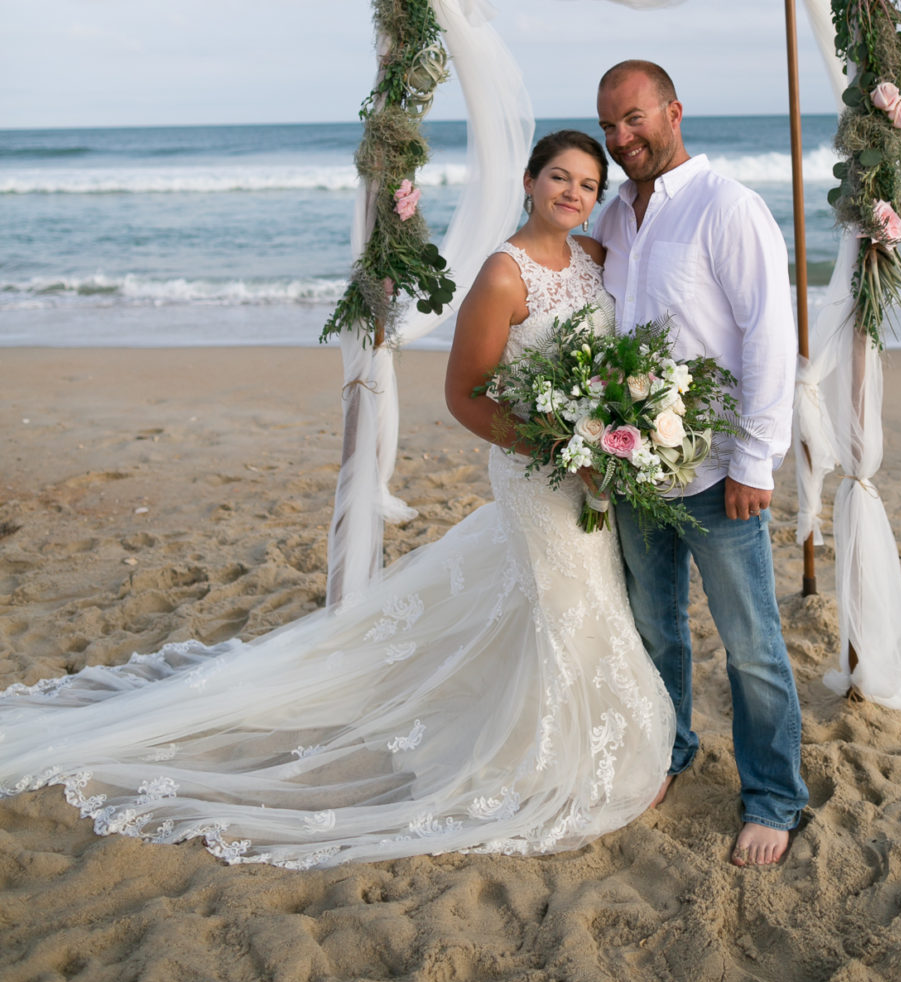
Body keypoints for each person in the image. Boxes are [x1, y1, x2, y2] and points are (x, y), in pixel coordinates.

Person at [0, 131, 672, 866]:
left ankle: (558, 727)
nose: (571, 193)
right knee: (561, 598)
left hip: (589, 468)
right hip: (535, 469)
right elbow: (462, 395)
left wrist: (610, 428)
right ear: (528, 179)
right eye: (558, 177)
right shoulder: (503, 277)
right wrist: (555, 447)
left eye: (585, 183)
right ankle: (548, 755)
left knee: (580, 594)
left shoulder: (595, 259)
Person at [595, 60, 809, 868]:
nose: (622, 137)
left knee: (751, 643)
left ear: (674, 110)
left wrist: (758, 458)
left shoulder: (728, 206)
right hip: (636, 474)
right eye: (610, 125)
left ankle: (775, 796)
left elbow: (769, 335)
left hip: (721, 475)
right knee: (656, 632)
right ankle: (669, 752)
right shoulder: (616, 217)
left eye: (635, 118)